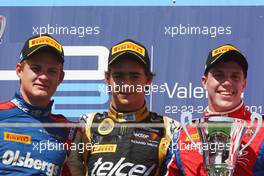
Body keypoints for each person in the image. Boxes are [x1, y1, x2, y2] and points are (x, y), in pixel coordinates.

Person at [67, 39, 180, 175]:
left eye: (134, 76)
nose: (126, 85)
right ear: (107, 79)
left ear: (148, 80)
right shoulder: (86, 125)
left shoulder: (170, 128)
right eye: (119, 76)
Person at [163, 44, 264, 175]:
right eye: (219, 75)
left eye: (235, 76)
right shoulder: (182, 136)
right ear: (204, 82)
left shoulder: (260, 130)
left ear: (243, 84)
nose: (227, 82)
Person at [0, 34, 75, 175]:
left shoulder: (70, 131)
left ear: (60, 77)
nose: (43, 77)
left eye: (51, 71)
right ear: (19, 70)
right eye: (36, 68)